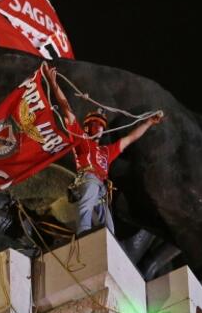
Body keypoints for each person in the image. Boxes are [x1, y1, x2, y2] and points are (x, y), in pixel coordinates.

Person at [45, 67, 163, 235]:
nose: (99, 128)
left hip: (101, 188)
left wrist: (148, 123)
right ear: (88, 127)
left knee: (109, 226)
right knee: (87, 204)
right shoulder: (81, 139)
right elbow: (67, 109)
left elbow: (130, 138)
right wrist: (54, 84)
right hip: (88, 179)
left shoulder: (106, 151)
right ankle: (83, 232)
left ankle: (109, 243)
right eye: (95, 124)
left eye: (101, 125)